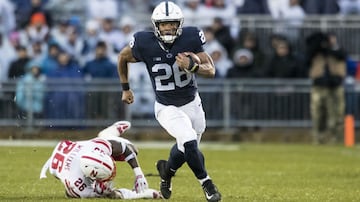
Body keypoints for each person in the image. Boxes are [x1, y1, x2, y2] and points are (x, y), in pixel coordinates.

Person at [117, 1, 221, 201]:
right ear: (156, 25)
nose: (169, 27)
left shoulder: (190, 38)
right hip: (167, 106)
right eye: (164, 24)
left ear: (179, 24)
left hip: (193, 103)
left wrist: (193, 67)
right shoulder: (143, 42)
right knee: (189, 142)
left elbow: (211, 69)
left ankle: (166, 173)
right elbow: (122, 57)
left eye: (172, 23)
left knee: (185, 149)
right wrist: (125, 88)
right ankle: (207, 185)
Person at [39, 121, 163, 199]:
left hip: (77, 149)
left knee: (133, 150)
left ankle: (109, 133)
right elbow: (115, 196)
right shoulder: (78, 185)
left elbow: (125, 149)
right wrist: (147, 193)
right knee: (78, 194)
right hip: (58, 165)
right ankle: (105, 135)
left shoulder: (95, 147)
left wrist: (139, 174)